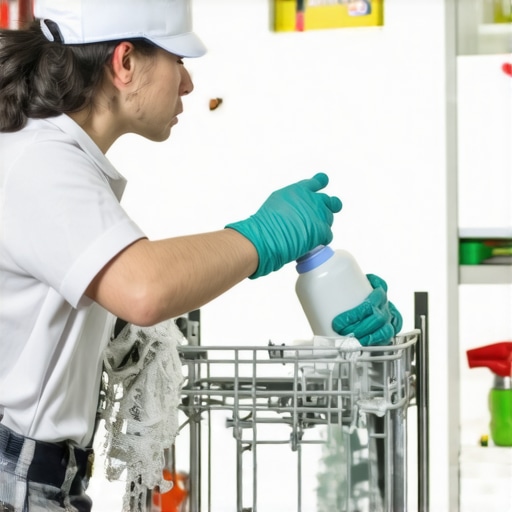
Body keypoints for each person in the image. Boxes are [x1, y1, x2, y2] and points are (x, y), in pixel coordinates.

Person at [0, 0, 402, 510]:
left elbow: (93, 319)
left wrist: (349, 332)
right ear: (124, 63)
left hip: (39, 475)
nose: (188, 84)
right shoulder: (39, 163)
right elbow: (145, 289)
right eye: (179, 61)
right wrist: (265, 236)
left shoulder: (53, 157)